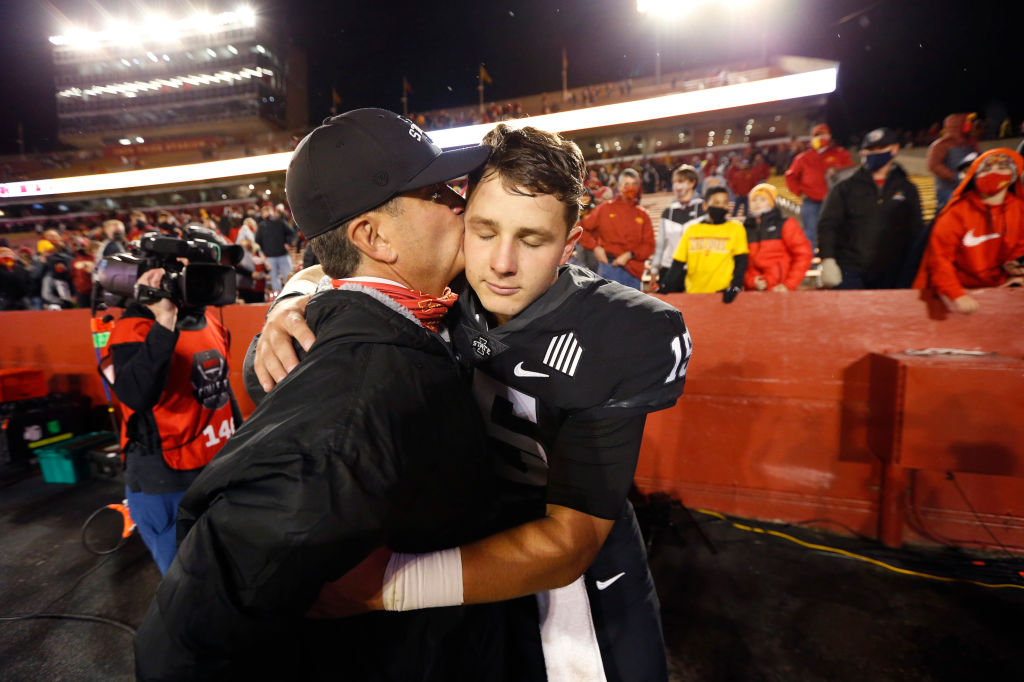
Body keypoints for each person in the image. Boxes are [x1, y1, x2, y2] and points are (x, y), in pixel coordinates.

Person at [253, 122, 692, 681]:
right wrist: (290, 299)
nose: (501, 263)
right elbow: (343, 262)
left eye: (532, 240)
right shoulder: (459, 273)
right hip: (462, 548)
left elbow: (572, 540)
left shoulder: (620, 330)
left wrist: (390, 586)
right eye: (483, 231)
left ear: (569, 242)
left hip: (572, 582)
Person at [133, 109, 501, 681]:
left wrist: (293, 293)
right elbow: (184, 644)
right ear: (373, 237)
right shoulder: (349, 413)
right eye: (437, 193)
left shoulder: (392, 318)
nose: (461, 202)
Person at [101, 228, 241, 575]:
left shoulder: (208, 320)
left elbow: (221, 391)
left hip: (216, 468)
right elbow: (135, 394)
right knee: (188, 582)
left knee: (227, 571)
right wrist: (164, 319)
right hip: (165, 479)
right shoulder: (133, 328)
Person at [913, 148, 1024, 314]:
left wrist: (1017, 273)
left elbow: (1019, 250)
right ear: (975, 175)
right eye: (986, 168)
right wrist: (957, 294)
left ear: (1014, 175)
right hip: (959, 292)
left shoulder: (1019, 209)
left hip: (999, 291)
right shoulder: (956, 212)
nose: (994, 172)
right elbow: (940, 259)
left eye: (1002, 167)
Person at [818, 127, 925, 290]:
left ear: (894, 149)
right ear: (862, 153)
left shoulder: (908, 188)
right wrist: (828, 259)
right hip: (850, 269)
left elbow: (916, 230)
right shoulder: (844, 187)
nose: (875, 153)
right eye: (870, 149)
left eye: (881, 149)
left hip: (894, 272)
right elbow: (828, 225)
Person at [661, 186, 748, 302]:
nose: (721, 206)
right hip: (694, 294)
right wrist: (665, 287)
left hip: (722, 295)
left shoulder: (736, 228)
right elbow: (678, 263)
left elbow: (741, 262)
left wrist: (735, 286)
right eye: (716, 202)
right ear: (705, 206)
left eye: (725, 203)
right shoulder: (692, 230)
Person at [579, 168, 655, 290]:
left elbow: (649, 245)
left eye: (634, 184)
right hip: (609, 267)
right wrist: (595, 247)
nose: (630, 188)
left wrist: (630, 255)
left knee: (633, 308)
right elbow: (581, 229)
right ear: (619, 187)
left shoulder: (642, 215)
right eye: (626, 184)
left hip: (634, 271)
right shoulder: (605, 209)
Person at [784, 123, 854, 249]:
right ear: (812, 137)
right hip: (811, 201)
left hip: (834, 201)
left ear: (829, 136)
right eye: (817, 135)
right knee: (810, 233)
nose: (821, 137)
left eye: (824, 134)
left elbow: (850, 171)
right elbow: (790, 176)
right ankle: (809, 262)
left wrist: (838, 169)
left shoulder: (840, 154)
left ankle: (836, 260)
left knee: (837, 231)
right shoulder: (803, 158)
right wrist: (799, 192)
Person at [743, 183, 813, 292]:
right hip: (753, 291)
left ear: (771, 203)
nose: (757, 203)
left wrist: (789, 284)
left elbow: (803, 255)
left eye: (762, 199)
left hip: (779, 289)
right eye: (754, 200)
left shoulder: (786, 224)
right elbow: (740, 262)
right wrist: (751, 281)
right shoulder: (744, 228)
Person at [654, 164, 704, 292]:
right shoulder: (668, 212)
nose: (676, 185)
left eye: (680, 181)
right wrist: (655, 268)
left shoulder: (704, 209)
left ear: (692, 183)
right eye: (674, 182)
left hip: (695, 270)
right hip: (669, 269)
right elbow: (660, 244)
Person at [927, 113, 978, 214]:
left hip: (969, 189)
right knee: (948, 217)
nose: (969, 124)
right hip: (948, 190)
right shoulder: (941, 144)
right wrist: (955, 176)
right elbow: (934, 165)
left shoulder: (971, 142)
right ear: (957, 125)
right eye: (966, 122)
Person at [256, 203, 296, 295]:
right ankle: (278, 298)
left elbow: (292, 233)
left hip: (283, 255)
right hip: (270, 257)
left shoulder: (280, 222)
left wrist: (288, 243)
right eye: (264, 212)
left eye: (268, 211)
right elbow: (258, 241)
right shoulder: (262, 226)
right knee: (274, 280)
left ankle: (292, 295)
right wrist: (263, 252)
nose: (266, 214)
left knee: (288, 278)